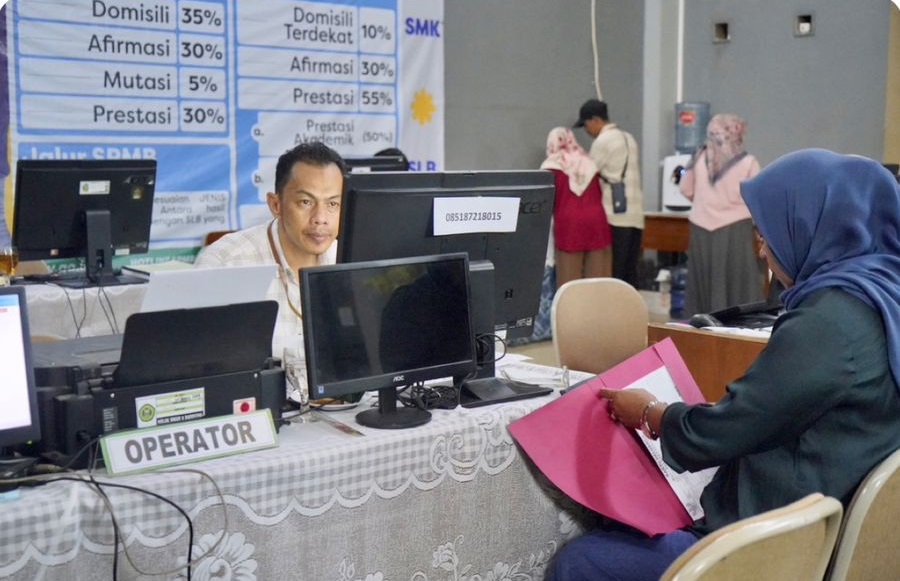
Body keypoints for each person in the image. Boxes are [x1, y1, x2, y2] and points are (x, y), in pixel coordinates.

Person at [546, 149, 900, 580]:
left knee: (581, 559)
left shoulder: (828, 324)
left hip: (779, 542)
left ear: (811, 227)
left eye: (769, 233)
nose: (762, 249)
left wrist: (650, 412)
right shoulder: (883, 295)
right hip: (843, 519)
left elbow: (725, 431)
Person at [194, 141, 346, 363]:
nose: (320, 218)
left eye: (332, 204)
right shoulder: (225, 263)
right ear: (276, 205)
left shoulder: (347, 260)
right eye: (306, 202)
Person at [677, 113, 764, 316]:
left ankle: (699, 325)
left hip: (700, 227)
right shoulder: (748, 162)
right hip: (735, 229)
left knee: (702, 282)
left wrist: (705, 203)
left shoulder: (699, 157)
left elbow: (686, 188)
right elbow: (759, 197)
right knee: (736, 280)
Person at [574, 99, 644, 287]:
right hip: (636, 216)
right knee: (630, 272)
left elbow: (587, 175)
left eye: (586, 124)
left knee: (614, 272)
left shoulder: (603, 141)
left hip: (614, 216)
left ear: (596, 120)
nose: (587, 130)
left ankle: (614, 314)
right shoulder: (629, 138)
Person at [542, 126, 612, 290]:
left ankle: (573, 315)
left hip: (569, 226)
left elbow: (546, 202)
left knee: (569, 282)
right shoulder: (589, 162)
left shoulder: (551, 167)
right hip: (597, 223)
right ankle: (599, 315)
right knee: (598, 281)